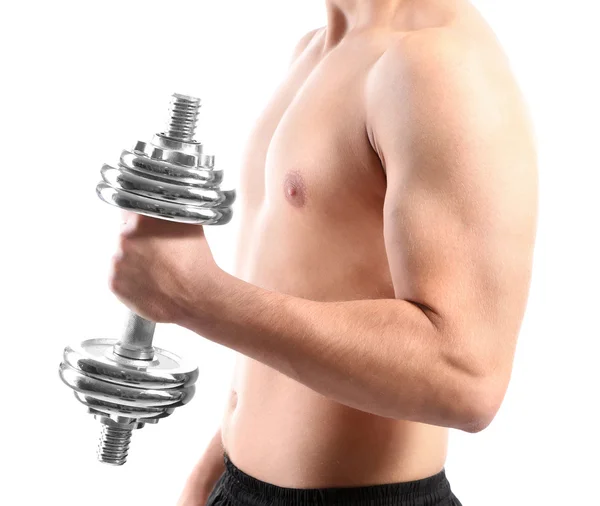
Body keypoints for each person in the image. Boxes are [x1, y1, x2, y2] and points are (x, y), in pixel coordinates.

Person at [110, 0, 537, 504]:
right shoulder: (315, 48)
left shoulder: (436, 62)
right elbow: (285, 338)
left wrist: (197, 299)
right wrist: (205, 483)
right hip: (234, 487)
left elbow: (466, 378)